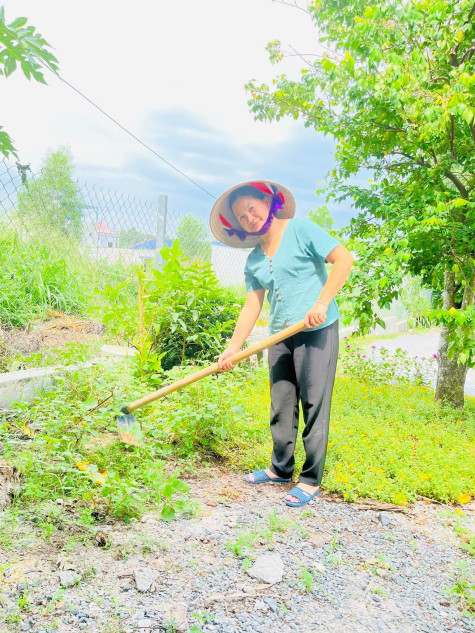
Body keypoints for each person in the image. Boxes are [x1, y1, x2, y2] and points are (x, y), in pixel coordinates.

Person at [209, 180, 353, 507]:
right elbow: (252, 306)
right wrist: (233, 347)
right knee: (282, 404)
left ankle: (311, 480)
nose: (250, 218)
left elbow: (344, 259)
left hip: (317, 329)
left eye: (252, 208)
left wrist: (320, 303)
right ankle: (280, 469)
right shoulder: (254, 261)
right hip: (280, 336)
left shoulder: (301, 230)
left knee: (314, 404)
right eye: (241, 217)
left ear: (267, 201)